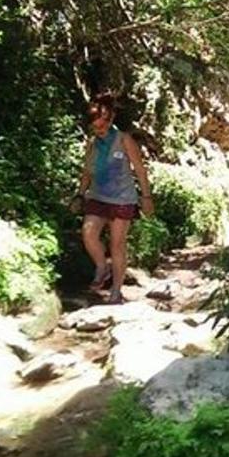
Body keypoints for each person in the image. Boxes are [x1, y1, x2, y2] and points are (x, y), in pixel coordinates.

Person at [79, 94, 154, 304]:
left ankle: (116, 292)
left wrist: (146, 197)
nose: (99, 130)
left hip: (122, 199)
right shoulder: (93, 144)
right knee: (88, 232)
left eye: (102, 126)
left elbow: (140, 169)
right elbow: (87, 171)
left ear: (110, 121)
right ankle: (103, 266)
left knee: (117, 244)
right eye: (95, 127)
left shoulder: (124, 139)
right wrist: (79, 193)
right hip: (97, 196)